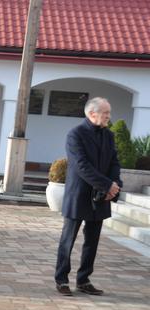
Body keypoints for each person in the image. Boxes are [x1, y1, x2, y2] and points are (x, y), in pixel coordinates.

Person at [55, 97, 121, 296]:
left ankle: (83, 279)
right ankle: (61, 279)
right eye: (106, 113)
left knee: (92, 241)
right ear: (92, 114)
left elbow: (114, 162)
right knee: (68, 239)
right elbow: (81, 166)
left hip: (101, 196)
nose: (109, 116)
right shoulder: (75, 134)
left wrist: (115, 185)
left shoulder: (108, 135)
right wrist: (107, 184)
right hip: (79, 195)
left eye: (109, 112)